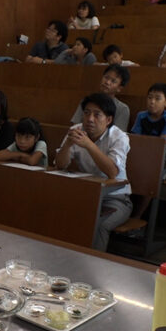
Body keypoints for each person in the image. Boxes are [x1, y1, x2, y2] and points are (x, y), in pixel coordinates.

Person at [55, 93, 132, 251]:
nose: (90, 119)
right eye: (87, 113)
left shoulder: (119, 137)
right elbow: (60, 165)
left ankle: (92, 265)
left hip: (116, 199)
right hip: (88, 194)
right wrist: (67, 145)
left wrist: (89, 145)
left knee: (100, 224)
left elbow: (112, 173)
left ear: (108, 120)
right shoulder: (75, 130)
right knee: (59, 211)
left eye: (97, 115)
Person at [131, 83, 166, 168]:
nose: (152, 101)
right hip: (142, 153)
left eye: (157, 99)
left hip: (164, 156)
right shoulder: (141, 116)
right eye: (150, 97)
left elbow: (162, 142)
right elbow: (135, 137)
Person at [71, 64, 131, 131]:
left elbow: (118, 135)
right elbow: (76, 126)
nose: (107, 82)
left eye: (113, 81)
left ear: (119, 88)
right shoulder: (87, 101)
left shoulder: (122, 109)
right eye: (106, 77)